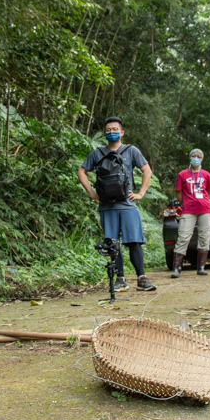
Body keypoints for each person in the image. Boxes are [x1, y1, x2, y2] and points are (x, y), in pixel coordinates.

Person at [77, 117, 157, 291]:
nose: (111, 133)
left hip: (128, 204)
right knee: (113, 244)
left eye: (115, 129)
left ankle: (141, 277)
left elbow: (147, 170)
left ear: (122, 132)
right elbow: (81, 171)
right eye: (108, 130)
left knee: (134, 241)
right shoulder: (97, 153)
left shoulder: (131, 151)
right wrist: (91, 192)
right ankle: (120, 279)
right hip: (107, 205)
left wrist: (141, 193)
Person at [172, 149, 210, 278]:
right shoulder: (182, 174)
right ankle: (177, 268)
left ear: (202, 159)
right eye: (193, 156)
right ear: (189, 157)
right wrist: (185, 203)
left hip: (205, 210)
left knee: (204, 236)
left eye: (198, 156)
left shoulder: (206, 174)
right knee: (183, 236)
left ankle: (201, 267)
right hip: (188, 210)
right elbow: (178, 192)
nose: (196, 158)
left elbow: (208, 192)